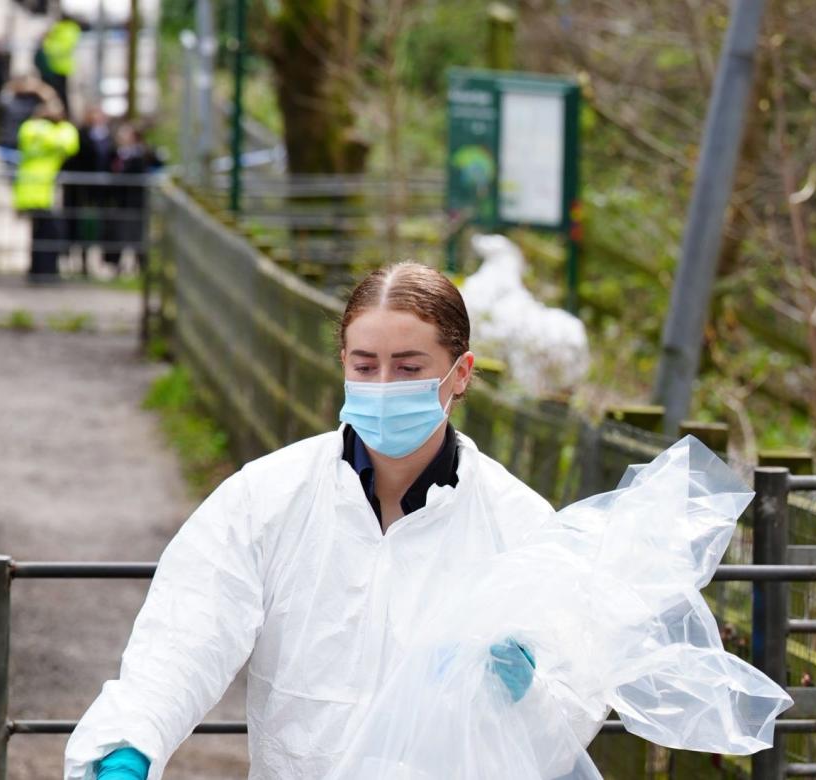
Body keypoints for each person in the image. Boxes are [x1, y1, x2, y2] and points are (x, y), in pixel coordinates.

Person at [63, 264, 605, 779]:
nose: (385, 385)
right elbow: (184, 636)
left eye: (410, 368)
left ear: (460, 373)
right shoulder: (268, 498)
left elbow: (568, 723)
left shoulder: (518, 526)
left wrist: (530, 694)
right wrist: (130, 746)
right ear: (343, 361)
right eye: (366, 366)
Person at [15, 102, 79, 280]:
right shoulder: (42, 130)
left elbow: (70, 144)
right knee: (49, 235)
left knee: (40, 234)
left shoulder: (30, 129)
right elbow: (68, 142)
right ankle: (45, 272)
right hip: (41, 193)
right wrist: (57, 122)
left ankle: (38, 271)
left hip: (34, 191)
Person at [62, 107, 115, 266]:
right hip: (81, 189)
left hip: (100, 191)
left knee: (98, 225)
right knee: (79, 224)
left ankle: (99, 261)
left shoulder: (108, 137)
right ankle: (79, 260)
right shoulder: (81, 135)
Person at [106, 123, 161, 274]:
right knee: (119, 233)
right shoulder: (119, 153)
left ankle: (141, 266)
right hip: (121, 201)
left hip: (135, 201)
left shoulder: (141, 154)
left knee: (136, 233)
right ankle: (117, 265)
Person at [35, 15, 82, 115]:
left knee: (60, 94)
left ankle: (62, 113)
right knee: (54, 93)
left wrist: (46, 44)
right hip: (52, 67)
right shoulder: (59, 29)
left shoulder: (67, 30)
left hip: (58, 68)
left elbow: (60, 48)